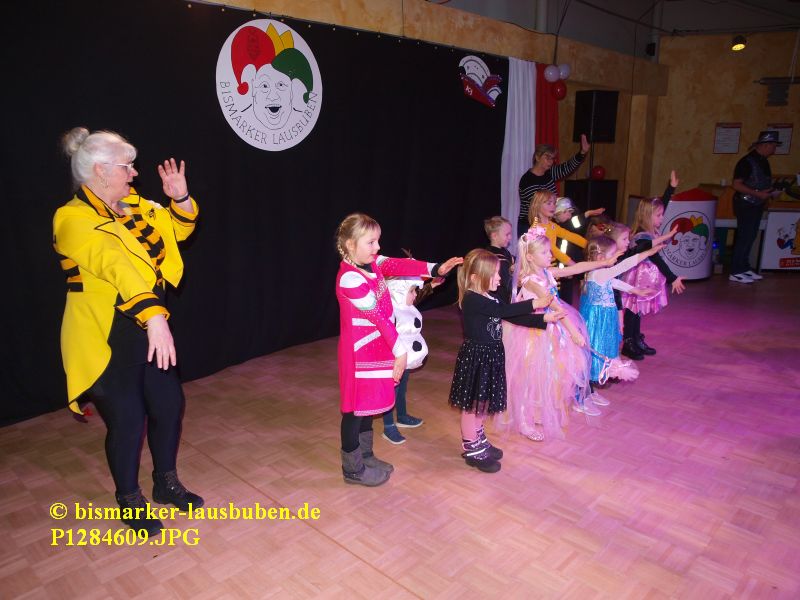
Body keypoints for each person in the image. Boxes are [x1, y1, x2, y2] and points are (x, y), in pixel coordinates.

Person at [53, 127, 202, 537]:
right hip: (107, 335)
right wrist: (155, 317)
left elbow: (177, 231)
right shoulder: (72, 218)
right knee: (129, 421)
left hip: (148, 328)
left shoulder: (136, 207)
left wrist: (180, 199)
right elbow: (115, 264)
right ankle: (129, 497)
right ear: (101, 171)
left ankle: (165, 482)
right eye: (127, 166)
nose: (134, 173)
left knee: (169, 406)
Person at [335, 213, 461, 486]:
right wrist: (400, 351)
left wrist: (435, 268)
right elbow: (379, 317)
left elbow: (399, 264)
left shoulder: (372, 263)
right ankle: (353, 469)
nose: (378, 247)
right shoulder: (350, 279)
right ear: (350, 244)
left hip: (377, 348)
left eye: (377, 241)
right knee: (355, 411)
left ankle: (366, 456)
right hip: (359, 355)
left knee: (368, 408)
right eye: (371, 242)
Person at [449, 249, 562, 473]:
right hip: (477, 358)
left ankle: (479, 438)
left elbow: (512, 316)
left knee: (482, 402)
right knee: (472, 405)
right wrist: (535, 303)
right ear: (476, 277)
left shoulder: (489, 296)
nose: (499, 279)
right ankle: (471, 447)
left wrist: (544, 318)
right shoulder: (472, 299)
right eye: (494, 274)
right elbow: (503, 310)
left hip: (491, 357)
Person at [504, 231, 615, 441]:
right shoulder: (530, 281)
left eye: (549, 251)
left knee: (548, 372)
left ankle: (535, 411)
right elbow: (553, 305)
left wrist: (603, 263)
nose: (550, 255)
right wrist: (573, 332)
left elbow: (576, 268)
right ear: (530, 257)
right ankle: (524, 421)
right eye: (545, 252)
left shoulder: (547, 273)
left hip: (550, 328)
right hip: (532, 332)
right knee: (529, 375)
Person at [579, 236, 665, 395]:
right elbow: (625, 265)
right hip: (600, 317)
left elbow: (614, 283)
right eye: (614, 255)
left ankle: (607, 371)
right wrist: (648, 252)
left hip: (607, 315)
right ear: (601, 258)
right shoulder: (597, 274)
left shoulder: (601, 273)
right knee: (599, 345)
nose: (617, 258)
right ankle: (596, 375)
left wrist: (636, 290)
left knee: (608, 343)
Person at [621, 171, 686, 360]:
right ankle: (628, 342)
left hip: (646, 276)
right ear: (648, 216)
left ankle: (636, 338)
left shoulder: (650, 229)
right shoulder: (643, 235)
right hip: (637, 276)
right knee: (633, 310)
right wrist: (673, 278)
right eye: (658, 215)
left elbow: (660, 204)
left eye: (662, 214)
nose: (662, 218)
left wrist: (671, 188)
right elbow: (657, 259)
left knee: (638, 310)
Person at [730, 130, 782, 283]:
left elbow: (759, 183)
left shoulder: (763, 161)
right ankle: (735, 271)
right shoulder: (746, 162)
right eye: (773, 146)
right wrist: (758, 194)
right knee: (745, 236)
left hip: (757, 204)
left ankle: (744, 268)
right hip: (745, 204)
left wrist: (770, 192)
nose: (774, 149)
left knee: (751, 236)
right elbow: (737, 185)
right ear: (765, 145)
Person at [381, 277, 428, 445]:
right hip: (395, 358)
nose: (415, 295)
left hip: (407, 357)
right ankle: (388, 426)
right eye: (412, 291)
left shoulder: (408, 307)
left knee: (401, 389)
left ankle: (401, 416)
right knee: (392, 390)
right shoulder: (390, 311)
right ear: (399, 292)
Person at [517, 134, 590, 237]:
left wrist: (582, 152)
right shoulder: (527, 181)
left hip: (546, 223)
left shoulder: (550, 173)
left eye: (552, 159)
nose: (551, 162)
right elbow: (538, 207)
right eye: (547, 158)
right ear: (537, 157)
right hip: (529, 226)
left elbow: (567, 167)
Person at [552, 196, 606, 305]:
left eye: (570, 212)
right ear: (557, 214)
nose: (569, 215)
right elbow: (572, 224)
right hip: (561, 266)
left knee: (569, 294)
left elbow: (575, 224)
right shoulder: (556, 227)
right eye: (566, 212)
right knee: (560, 294)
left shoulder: (569, 224)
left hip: (571, 263)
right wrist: (587, 213)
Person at [526, 191, 588, 268]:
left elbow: (569, 235)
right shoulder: (536, 228)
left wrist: (589, 245)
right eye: (549, 203)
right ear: (537, 206)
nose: (553, 206)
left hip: (551, 264)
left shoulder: (552, 225)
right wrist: (573, 265)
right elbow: (553, 250)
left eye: (554, 203)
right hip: (541, 267)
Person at [484, 216, 514, 303]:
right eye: (507, 234)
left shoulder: (504, 251)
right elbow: (509, 284)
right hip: (501, 301)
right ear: (494, 236)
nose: (510, 237)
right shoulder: (496, 258)